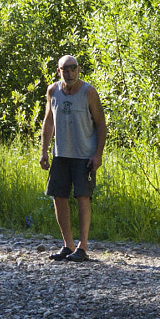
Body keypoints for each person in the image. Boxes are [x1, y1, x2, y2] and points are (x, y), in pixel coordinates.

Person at [39, 54, 106, 261]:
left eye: (73, 68)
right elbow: (48, 122)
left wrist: (98, 154)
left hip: (84, 155)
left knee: (82, 198)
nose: (69, 73)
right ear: (59, 71)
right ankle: (67, 245)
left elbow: (101, 124)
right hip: (61, 154)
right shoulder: (53, 91)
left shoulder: (89, 92)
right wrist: (44, 151)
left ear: (79, 69)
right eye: (65, 69)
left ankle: (82, 247)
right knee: (58, 197)